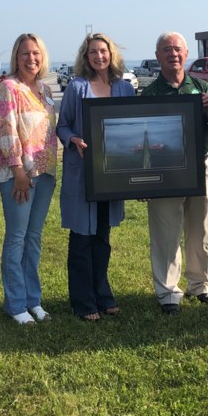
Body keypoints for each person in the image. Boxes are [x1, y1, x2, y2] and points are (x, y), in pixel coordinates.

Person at [56, 32, 135, 321]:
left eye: (103, 51)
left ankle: (103, 294)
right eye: (93, 52)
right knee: (81, 238)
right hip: (82, 173)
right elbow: (61, 126)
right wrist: (73, 139)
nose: (99, 56)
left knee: (102, 237)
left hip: (112, 172)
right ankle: (83, 301)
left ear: (111, 54)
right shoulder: (77, 88)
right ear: (85, 56)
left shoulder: (124, 88)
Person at [141, 31, 208, 314]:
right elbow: (144, 133)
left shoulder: (202, 87)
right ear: (158, 55)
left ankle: (200, 284)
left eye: (177, 49)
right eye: (166, 49)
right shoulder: (149, 94)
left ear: (186, 54)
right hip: (165, 170)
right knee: (166, 231)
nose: (173, 54)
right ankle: (167, 291)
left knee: (200, 229)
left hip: (200, 165)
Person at [0, 33, 58, 325]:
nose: (31, 58)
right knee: (16, 238)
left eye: (36, 54)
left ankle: (33, 300)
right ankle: (15, 303)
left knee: (34, 238)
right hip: (18, 174)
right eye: (25, 54)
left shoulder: (45, 90)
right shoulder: (8, 88)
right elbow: (6, 130)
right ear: (16, 57)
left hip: (46, 174)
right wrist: (18, 171)